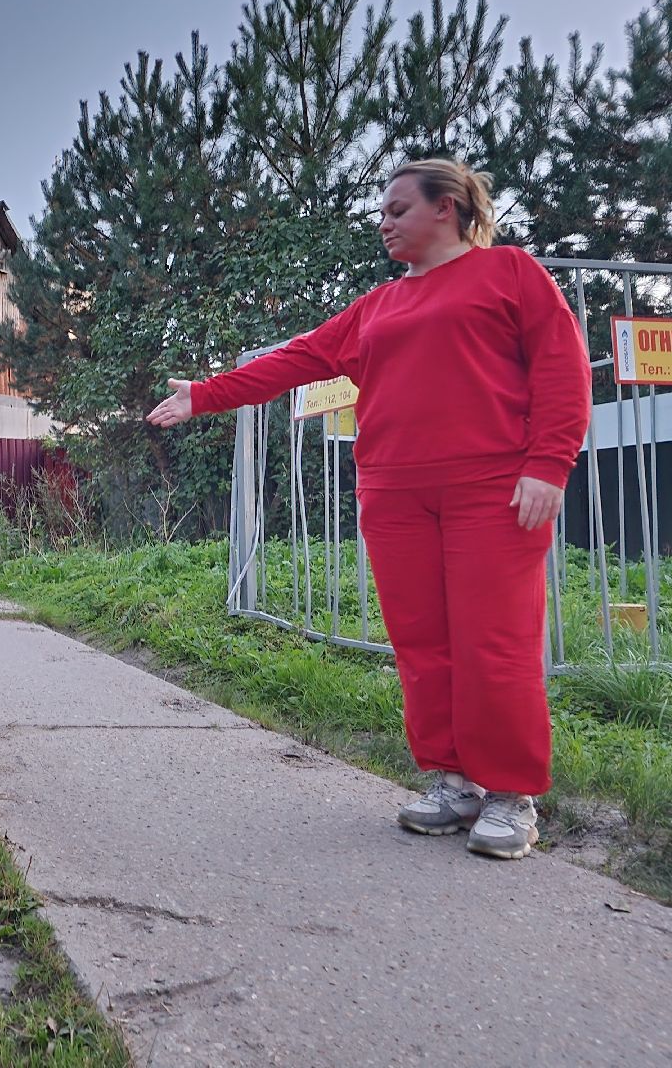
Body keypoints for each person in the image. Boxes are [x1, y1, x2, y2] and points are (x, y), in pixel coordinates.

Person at [147, 159, 591, 860]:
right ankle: (452, 784)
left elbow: (560, 367)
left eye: (396, 210)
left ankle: (510, 795)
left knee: (494, 640)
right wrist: (205, 394)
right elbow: (297, 359)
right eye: (381, 214)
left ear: (446, 208)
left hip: (492, 488)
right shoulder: (377, 307)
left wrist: (549, 463)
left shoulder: (510, 273)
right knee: (421, 642)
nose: (383, 224)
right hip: (393, 491)